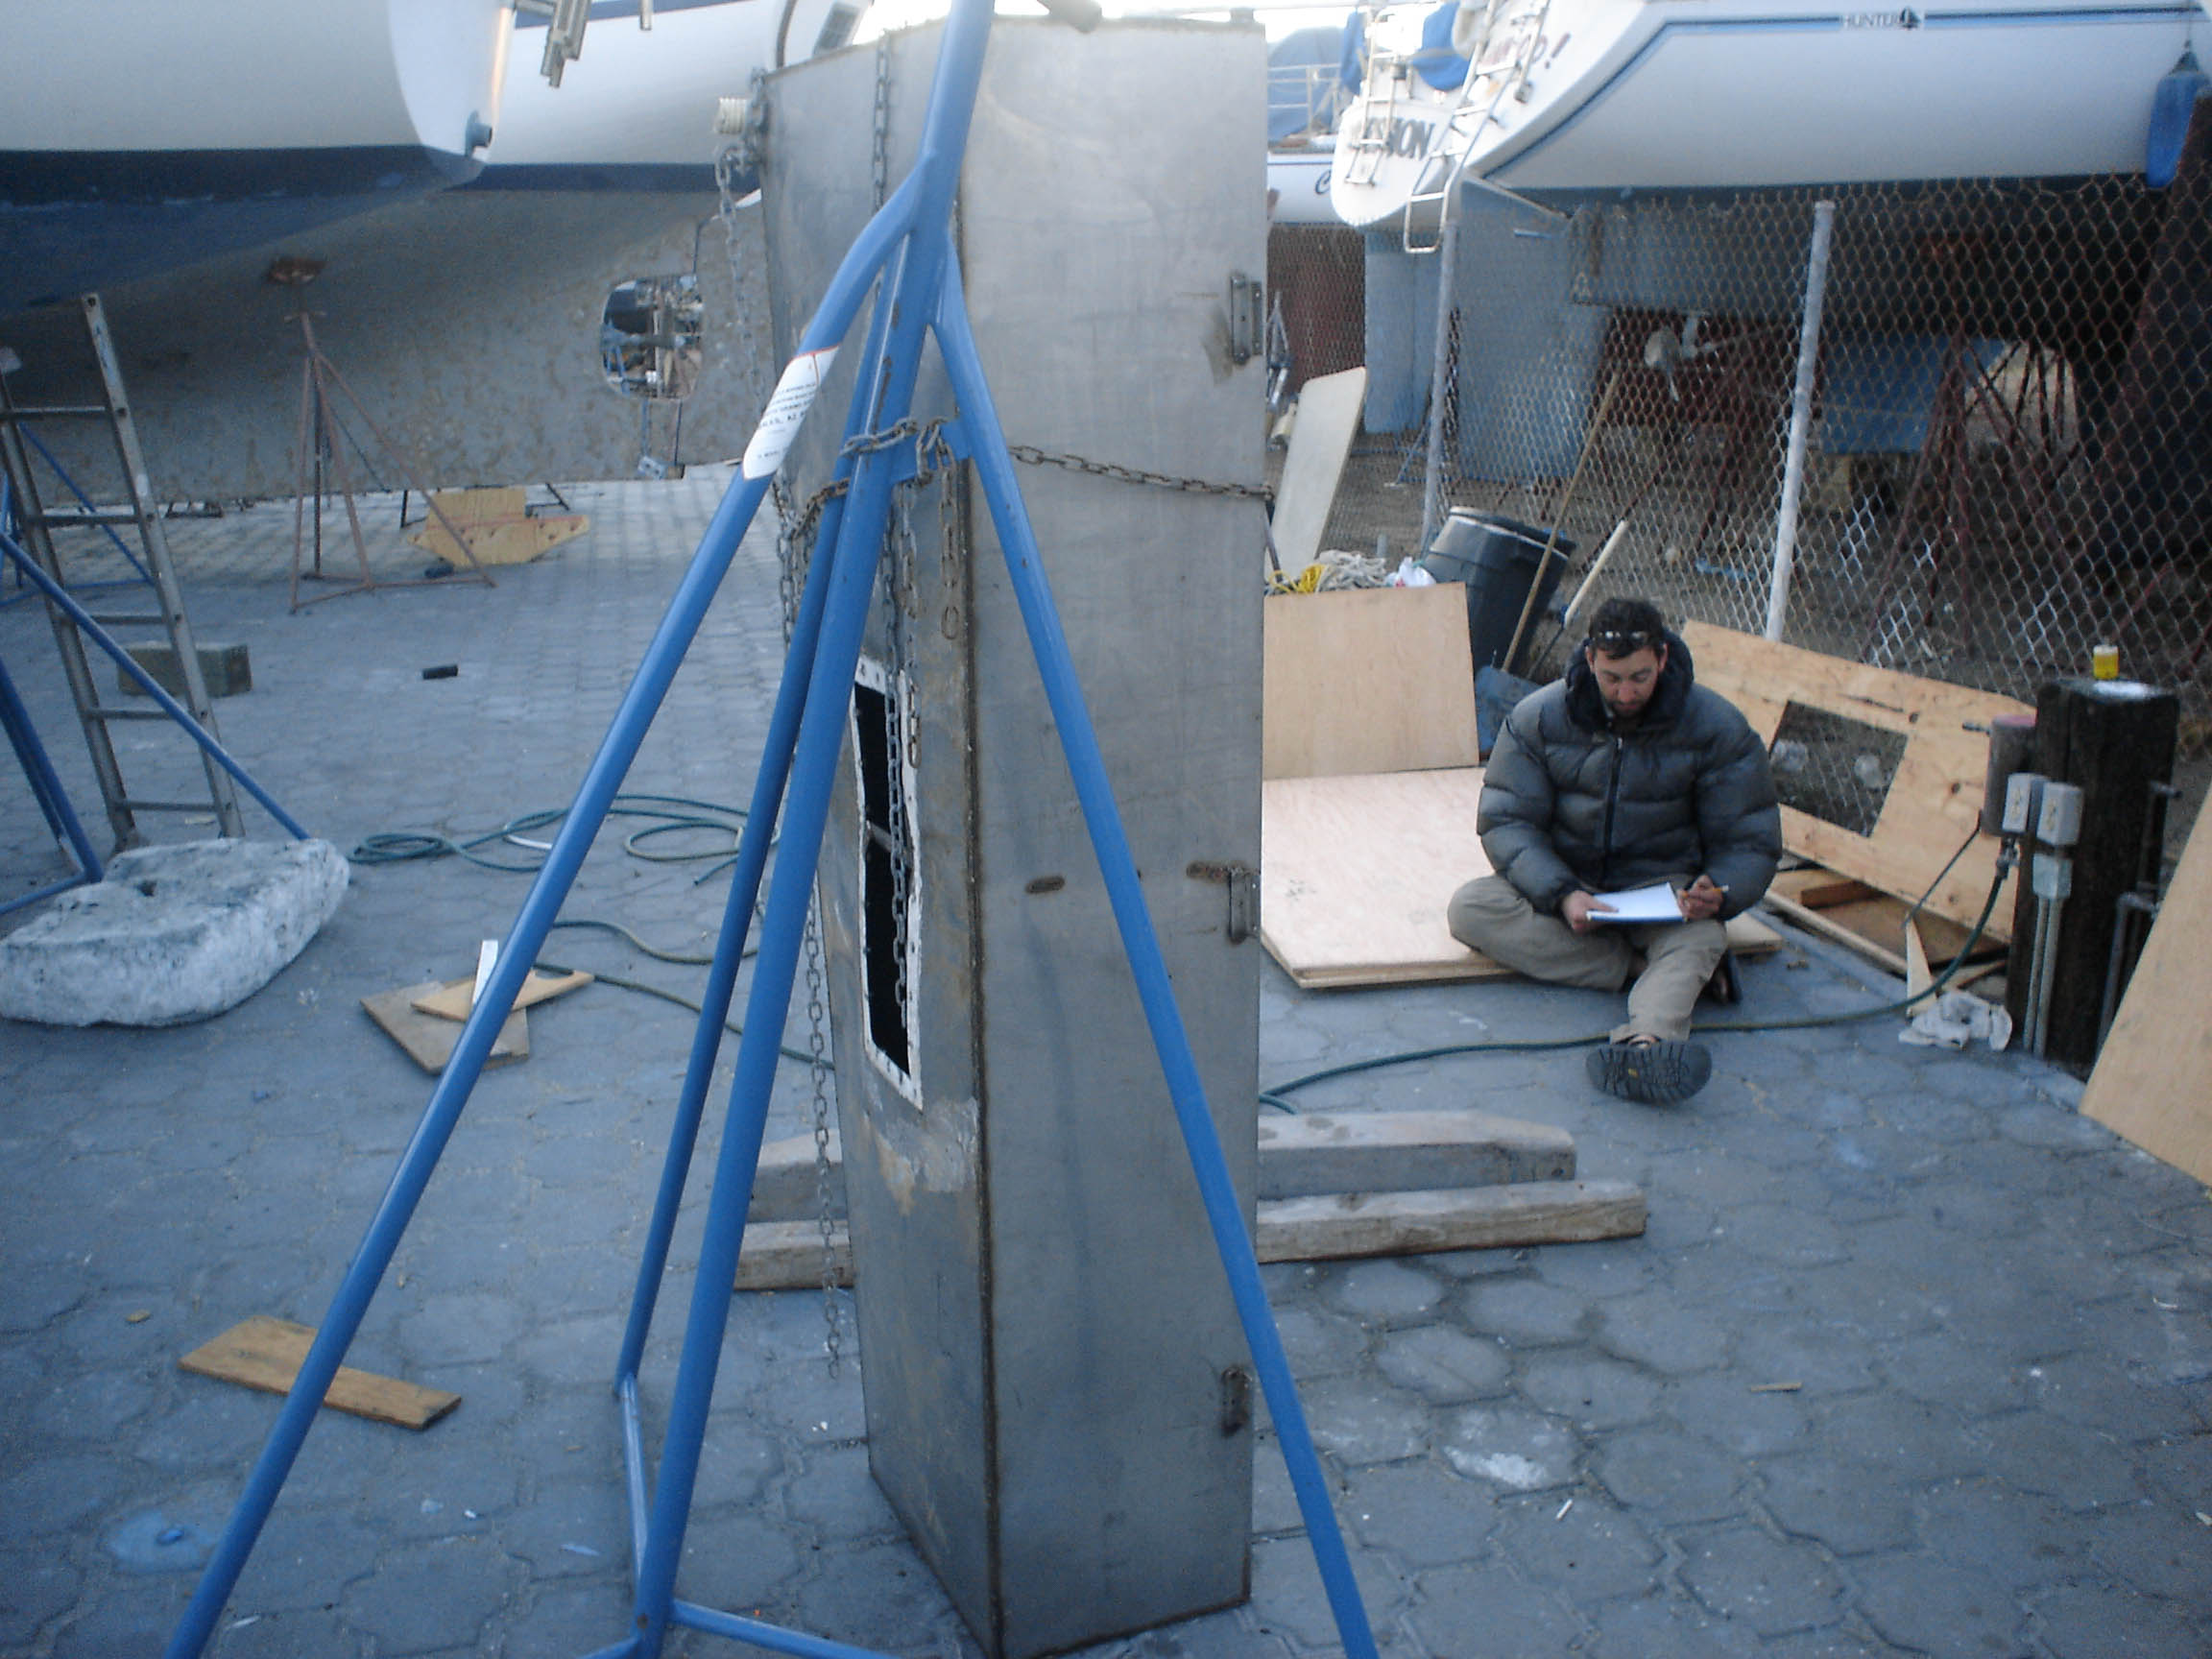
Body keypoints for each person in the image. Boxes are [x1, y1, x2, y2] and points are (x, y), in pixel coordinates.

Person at [1449, 597, 1781, 1104]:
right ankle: (1641, 970)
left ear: (1663, 658)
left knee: (1703, 935)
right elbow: (1507, 820)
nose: (1626, 693)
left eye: (1640, 677)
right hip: (1573, 886)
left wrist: (1720, 890)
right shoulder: (1538, 718)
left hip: (1664, 893)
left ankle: (1646, 1046)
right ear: (1589, 660)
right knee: (1471, 909)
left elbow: (1750, 838)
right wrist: (1562, 892)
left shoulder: (1717, 727)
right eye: (1612, 678)